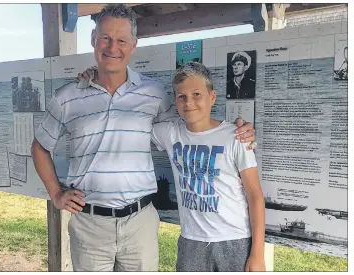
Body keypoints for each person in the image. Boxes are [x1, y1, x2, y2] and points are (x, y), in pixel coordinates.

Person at [31, 4, 256, 272]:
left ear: (134, 45)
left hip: (140, 223)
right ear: (93, 39)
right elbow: (40, 147)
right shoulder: (68, 96)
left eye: (122, 40)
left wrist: (238, 130)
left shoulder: (155, 93)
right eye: (105, 38)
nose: (113, 47)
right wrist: (56, 193)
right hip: (89, 224)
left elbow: (191, 126)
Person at [151, 61, 265, 271]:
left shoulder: (236, 136)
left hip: (234, 240)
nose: (189, 103)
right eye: (181, 96)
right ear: (175, 101)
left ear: (212, 97)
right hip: (191, 240)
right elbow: (130, 126)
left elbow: (255, 195)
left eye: (197, 94)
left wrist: (257, 254)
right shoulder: (170, 133)